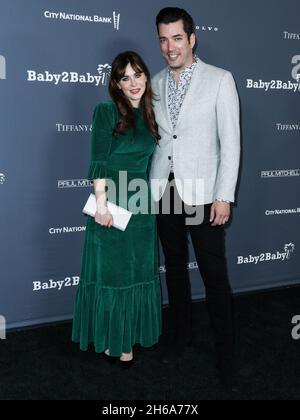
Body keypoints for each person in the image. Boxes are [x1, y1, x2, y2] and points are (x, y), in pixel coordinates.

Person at [150, 7, 241, 386]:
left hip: (204, 193)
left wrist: (224, 195)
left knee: (214, 276)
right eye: (163, 39)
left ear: (192, 39)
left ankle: (227, 356)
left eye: (176, 38)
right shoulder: (153, 83)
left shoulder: (220, 80)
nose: (169, 47)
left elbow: (231, 143)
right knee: (173, 267)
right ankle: (181, 336)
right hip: (164, 189)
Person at [72, 51, 162, 365]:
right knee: (114, 273)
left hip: (141, 202)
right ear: (117, 84)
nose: (133, 82)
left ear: (146, 76)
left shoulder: (153, 113)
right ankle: (115, 339)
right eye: (125, 77)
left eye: (138, 74)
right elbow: (98, 161)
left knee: (137, 270)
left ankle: (130, 334)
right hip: (111, 200)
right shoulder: (106, 112)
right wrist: (101, 205)